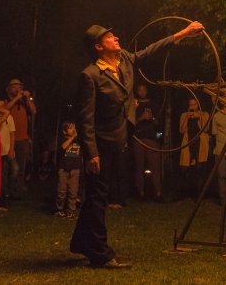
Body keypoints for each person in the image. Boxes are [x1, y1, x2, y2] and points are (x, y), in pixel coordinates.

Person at [70, 21, 204, 269]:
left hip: (120, 139)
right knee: (98, 198)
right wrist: (91, 154)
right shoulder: (90, 76)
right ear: (99, 47)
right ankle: (101, 254)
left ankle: (81, 243)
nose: (116, 38)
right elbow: (84, 118)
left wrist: (183, 34)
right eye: (110, 37)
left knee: (95, 198)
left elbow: (152, 49)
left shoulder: (125, 61)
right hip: (101, 144)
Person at [4, 78, 37, 198]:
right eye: (15, 86)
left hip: (22, 139)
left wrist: (27, 98)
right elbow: (5, 109)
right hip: (8, 139)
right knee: (10, 167)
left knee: (21, 168)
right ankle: (6, 190)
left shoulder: (24, 102)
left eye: (19, 86)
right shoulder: (6, 100)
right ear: (9, 88)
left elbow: (34, 111)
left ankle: (17, 192)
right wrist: (17, 98)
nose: (17, 88)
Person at [179, 96, 210, 196]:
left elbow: (206, 128)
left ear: (198, 104)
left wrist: (199, 117)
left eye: (194, 104)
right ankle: (187, 192)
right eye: (190, 105)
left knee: (199, 169)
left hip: (200, 144)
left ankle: (199, 193)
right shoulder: (184, 115)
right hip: (188, 143)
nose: (192, 106)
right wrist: (187, 117)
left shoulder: (204, 114)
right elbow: (181, 130)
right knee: (185, 169)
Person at [132, 105, 163, 201]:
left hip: (152, 141)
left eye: (144, 89)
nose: (142, 92)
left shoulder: (154, 104)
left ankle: (158, 193)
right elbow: (130, 126)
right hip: (138, 140)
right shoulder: (134, 107)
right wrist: (141, 118)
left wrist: (158, 139)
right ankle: (140, 193)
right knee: (139, 167)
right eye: (140, 90)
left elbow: (160, 129)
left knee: (155, 167)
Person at [0, 98, 17, 207]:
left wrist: (12, 149)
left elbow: (12, 133)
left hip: (7, 149)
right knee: (2, 175)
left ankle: (8, 191)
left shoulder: (9, 117)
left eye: (2, 105)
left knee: (15, 169)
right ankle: (3, 196)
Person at [57, 121, 83, 219]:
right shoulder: (62, 138)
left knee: (73, 191)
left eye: (74, 127)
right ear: (64, 131)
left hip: (75, 168)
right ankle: (60, 210)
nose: (73, 130)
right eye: (71, 128)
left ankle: (71, 211)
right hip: (63, 168)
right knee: (61, 190)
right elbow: (63, 147)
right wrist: (72, 138)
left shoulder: (79, 140)